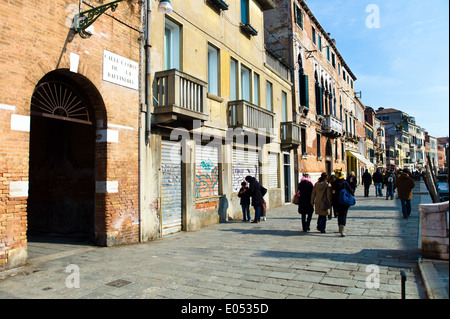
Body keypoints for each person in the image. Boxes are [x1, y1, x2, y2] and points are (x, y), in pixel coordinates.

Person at [331, 169, 355, 237]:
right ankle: (343, 230)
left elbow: (332, 193)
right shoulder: (345, 183)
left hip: (337, 202)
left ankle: (340, 228)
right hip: (344, 202)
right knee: (344, 215)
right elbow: (351, 192)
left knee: (339, 215)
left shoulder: (334, 183)